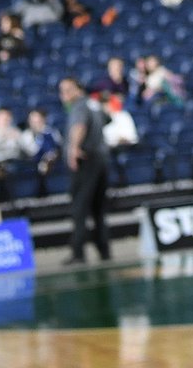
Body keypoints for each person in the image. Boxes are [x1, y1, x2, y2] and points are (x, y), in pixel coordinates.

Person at [59, 76, 111, 264]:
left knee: (80, 208)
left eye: (66, 90)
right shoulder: (94, 104)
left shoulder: (80, 106)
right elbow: (108, 118)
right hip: (101, 159)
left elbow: (79, 126)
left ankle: (78, 253)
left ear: (78, 90)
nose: (63, 95)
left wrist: (74, 149)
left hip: (86, 160)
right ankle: (104, 252)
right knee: (98, 210)